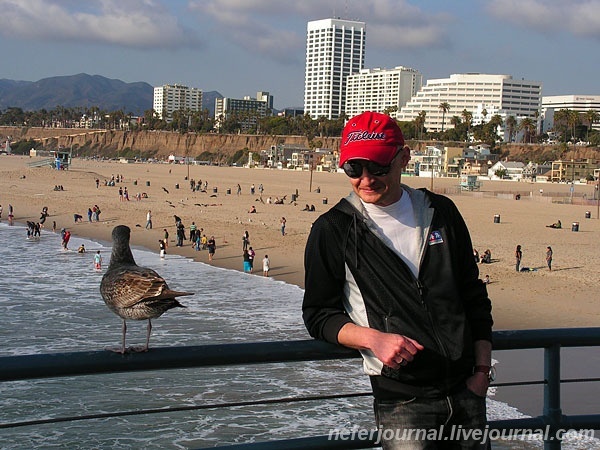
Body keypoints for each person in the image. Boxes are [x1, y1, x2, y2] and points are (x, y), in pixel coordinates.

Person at [302, 111, 493, 449]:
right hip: (401, 399)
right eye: (353, 169)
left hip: (467, 390)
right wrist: (373, 340)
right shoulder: (333, 229)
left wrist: (481, 372)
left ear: (404, 157)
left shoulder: (442, 212)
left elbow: (472, 294)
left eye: (378, 167)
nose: (366, 179)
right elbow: (318, 314)